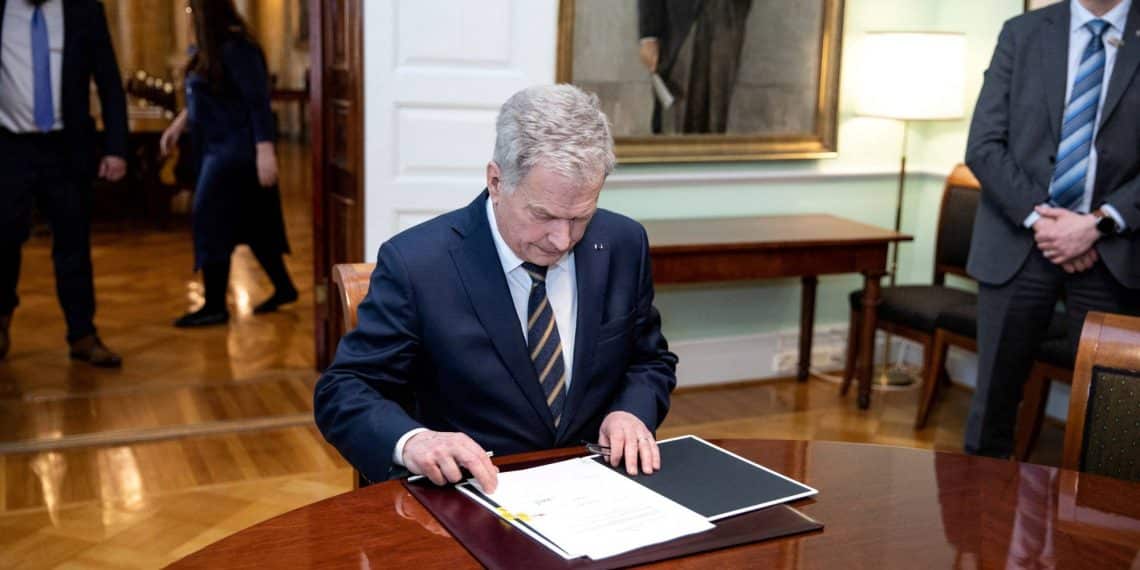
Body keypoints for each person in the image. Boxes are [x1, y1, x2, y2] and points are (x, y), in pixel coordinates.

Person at [314, 85, 678, 491]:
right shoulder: (418, 264)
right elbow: (344, 391)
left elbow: (649, 361)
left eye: (580, 217)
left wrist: (631, 411)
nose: (561, 239)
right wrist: (415, 442)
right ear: (496, 181)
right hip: (473, 497)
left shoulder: (622, 243)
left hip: (595, 489)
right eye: (544, 215)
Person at [964, 0, 1140, 458]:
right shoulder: (1022, 34)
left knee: (1116, 427)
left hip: (1115, 256)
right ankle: (980, 529)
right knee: (992, 415)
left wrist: (1097, 224)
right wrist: (1049, 223)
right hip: (1018, 245)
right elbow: (984, 145)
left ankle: (1101, 530)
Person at [0, 0, 128, 366]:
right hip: (9, 146)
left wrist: (116, 147)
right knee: (3, 237)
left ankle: (83, 334)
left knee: (73, 242)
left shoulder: (83, 9)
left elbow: (108, 79)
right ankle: (1, 320)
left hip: (67, 147)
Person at [160, 0, 297, 327]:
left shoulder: (238, 48)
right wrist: (179, 125)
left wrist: (266, 151)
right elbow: (205, 94)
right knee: (254, 224)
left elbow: (257, 102)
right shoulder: (208, 48)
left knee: (208, 220)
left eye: (193, 10)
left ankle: (214, 306)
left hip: (234, 153)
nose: (189, 15)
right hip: (216, 148)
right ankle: (284, 287)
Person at [637, 0, 752, 134]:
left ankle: (720, 152)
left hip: (728, 12)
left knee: (721, 107)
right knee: (681, 111)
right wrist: (649, 35)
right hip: (680, 21)